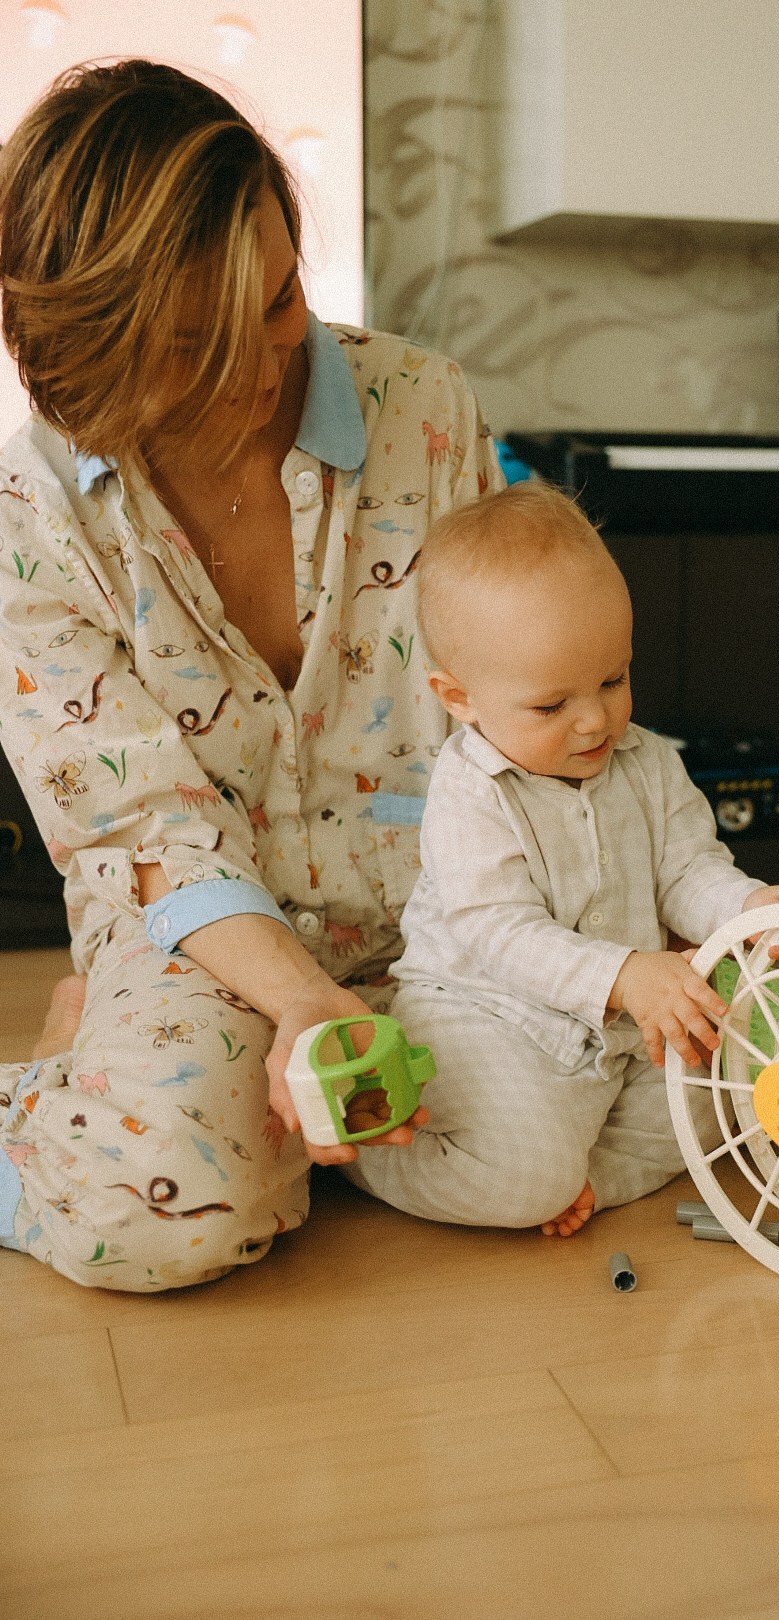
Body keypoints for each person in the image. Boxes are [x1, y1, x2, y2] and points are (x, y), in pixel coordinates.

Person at [0, 60, 502, 1291]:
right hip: (201, 941)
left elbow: (513, 702)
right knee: (168, 1216)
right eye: (199, 344)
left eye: (281, 297)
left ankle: (134, 1066)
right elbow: (145, 830)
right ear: (99, 354)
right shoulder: (34, 514)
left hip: (444, 913)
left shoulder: (425, 409)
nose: (271, 363)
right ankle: (54, 1093)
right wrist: (303, 1003)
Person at [347, 481, 779, 1236]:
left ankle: (593, 1180)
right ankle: (372, 1151)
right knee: (521, 1177)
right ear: (459, 698)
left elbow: (687, 870)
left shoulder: (650, 763)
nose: (596, 719)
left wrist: (746, 907)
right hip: (488, 1015)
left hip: (623, 1025)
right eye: (551, 705)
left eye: (613, 680)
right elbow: (498, 935)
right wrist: (625, 975)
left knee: (717, 1087)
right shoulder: (470, 794)